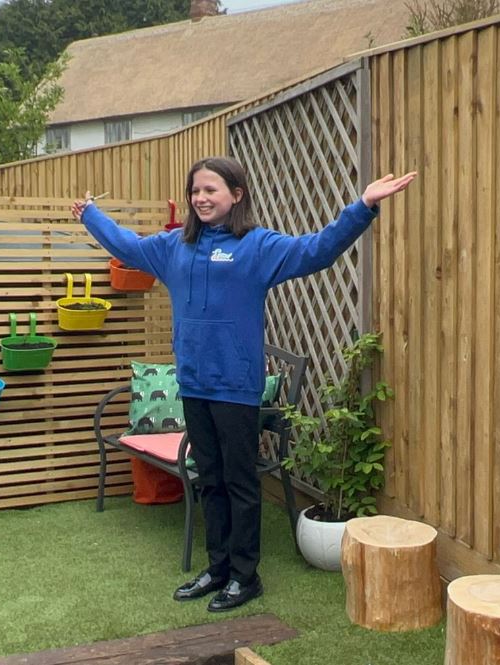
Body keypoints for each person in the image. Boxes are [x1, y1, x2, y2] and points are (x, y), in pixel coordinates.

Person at [72, 156, 415, 612]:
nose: (200, 198)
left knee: (239, 483)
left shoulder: (257, 246)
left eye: (210, 190)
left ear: (236, 195)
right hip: (194, 385)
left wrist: (363, 207)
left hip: (235, 386)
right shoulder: (174, 247)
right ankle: (217, 569)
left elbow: (316, 250)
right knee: (210, 481)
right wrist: (91, 215)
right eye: (195, 191)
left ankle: (245, 576)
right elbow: (128, 246)